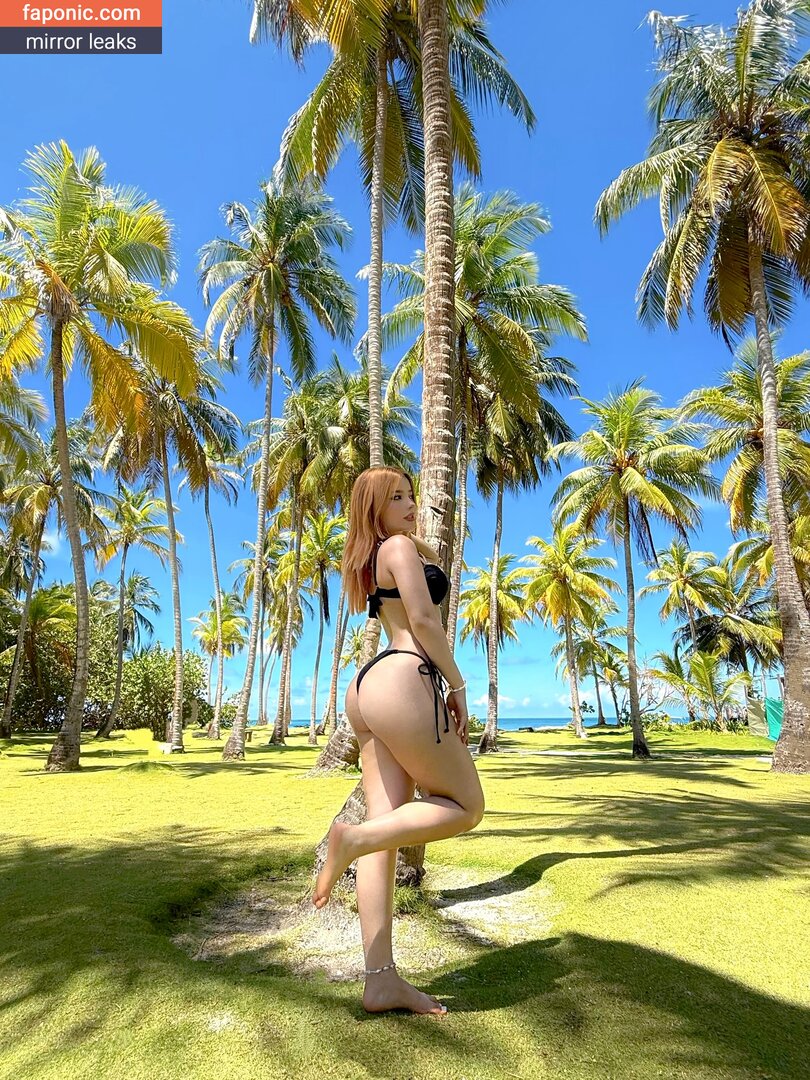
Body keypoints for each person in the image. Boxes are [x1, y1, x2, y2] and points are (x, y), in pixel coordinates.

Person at [312, 466, 485, 1017]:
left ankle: (380, 981)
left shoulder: (371, 557)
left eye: (411, 494)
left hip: (369, 686)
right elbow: (425, 621)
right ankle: (353, 838)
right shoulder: (398, 548)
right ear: (374, 508)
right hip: (406, 678)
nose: (411, 504)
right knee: (466, 806)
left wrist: (414, 538)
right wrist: (458, 686)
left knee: (384, 835)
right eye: (397, 497)